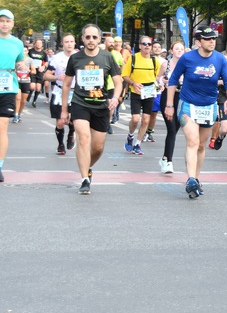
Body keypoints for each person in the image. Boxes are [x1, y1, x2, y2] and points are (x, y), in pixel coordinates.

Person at [164, 26, 227, 199]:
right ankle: (190, 180)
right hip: (188, 105)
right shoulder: (188, 58)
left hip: (209, 107)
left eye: (214, 39)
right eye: (208, 39)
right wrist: (169, 105)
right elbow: (173, 80)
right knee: (193, 141)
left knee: (202, 146)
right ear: (198, 42)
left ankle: (196, 177)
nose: (212, 42)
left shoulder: (219, 59)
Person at [60, 24, 123, 195]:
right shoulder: (76, 59)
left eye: (94, 37)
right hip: (80, 103)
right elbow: (66, 84)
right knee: (83, 138)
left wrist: (115, 98)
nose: (91, 40)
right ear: (82, 39)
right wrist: (64, 110)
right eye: (87, 37)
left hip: (101, 105)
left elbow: (118, 82)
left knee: (97, 147)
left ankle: (87, 168)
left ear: (99, 39)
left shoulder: (107, 57)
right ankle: (84, 179)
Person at [121, 36, 162, 155]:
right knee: (135, 119)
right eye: (144, 44)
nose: (147, 46)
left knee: (145, 120)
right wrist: (133, 83)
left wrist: (159, 84)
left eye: (149, 44)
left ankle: (137, 144)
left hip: (149, 92)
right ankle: (130, 136)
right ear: (140, 46)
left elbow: (157, 77)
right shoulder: (133, 58)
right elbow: (125, 75)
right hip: (136, 92)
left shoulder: (155, 61)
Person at [0, 9, 25, 182]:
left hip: (8, 87)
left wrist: (22, 67)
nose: (4, 24)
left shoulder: (17, 43)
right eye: (2, 20)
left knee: (2, 126)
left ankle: (0, 166)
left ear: (13, 24)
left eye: (8, 21)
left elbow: (20, 62)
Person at [44, 33, 77, 155]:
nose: (69, 44)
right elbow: (46, 76)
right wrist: (57, 77)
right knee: (60, 122)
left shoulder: (79, 56)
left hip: (76, 92)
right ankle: (60, 144)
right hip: (59, 91)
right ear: (63, 44)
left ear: (75, 43)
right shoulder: (56, 58)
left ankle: (71, 134)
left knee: (74, 120)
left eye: (71, 41)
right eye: (66, 42)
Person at [158, 41, 185, 173]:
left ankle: (164, 157)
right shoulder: (165, 64)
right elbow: (157, 78)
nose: (179, 51)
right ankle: (168, 161)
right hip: (167, 97)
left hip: (182, 97)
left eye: (181, 49)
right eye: (177, 49)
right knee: (172, 128)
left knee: (175, 128)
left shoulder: (188, 64)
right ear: (171, 50)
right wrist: (161, 82)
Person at [13, 46, 32, 123]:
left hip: (26, 81)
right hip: (17, 80)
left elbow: (34, 71)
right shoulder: (15, 59)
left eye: (25, 51)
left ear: (27, 52)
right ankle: (16, 115)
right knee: (18, 98)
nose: (23, 52)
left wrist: (28, 70)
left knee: (23, 101)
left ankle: (19, 114)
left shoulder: (30, 60)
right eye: (22, 51)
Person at [28, 39, 48, 108]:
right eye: (37, 43)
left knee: (38, 88)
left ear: (42, 45)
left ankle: (34, 101)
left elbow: (46, 62)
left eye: (40, 43)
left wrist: (43, 66)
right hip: (33, 70)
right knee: (32, 86)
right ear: (35, 44)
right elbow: (26, 59)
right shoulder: (30, 51)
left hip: (39, 71)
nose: (38, 44)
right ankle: (30, 93)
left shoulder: (44, 53)